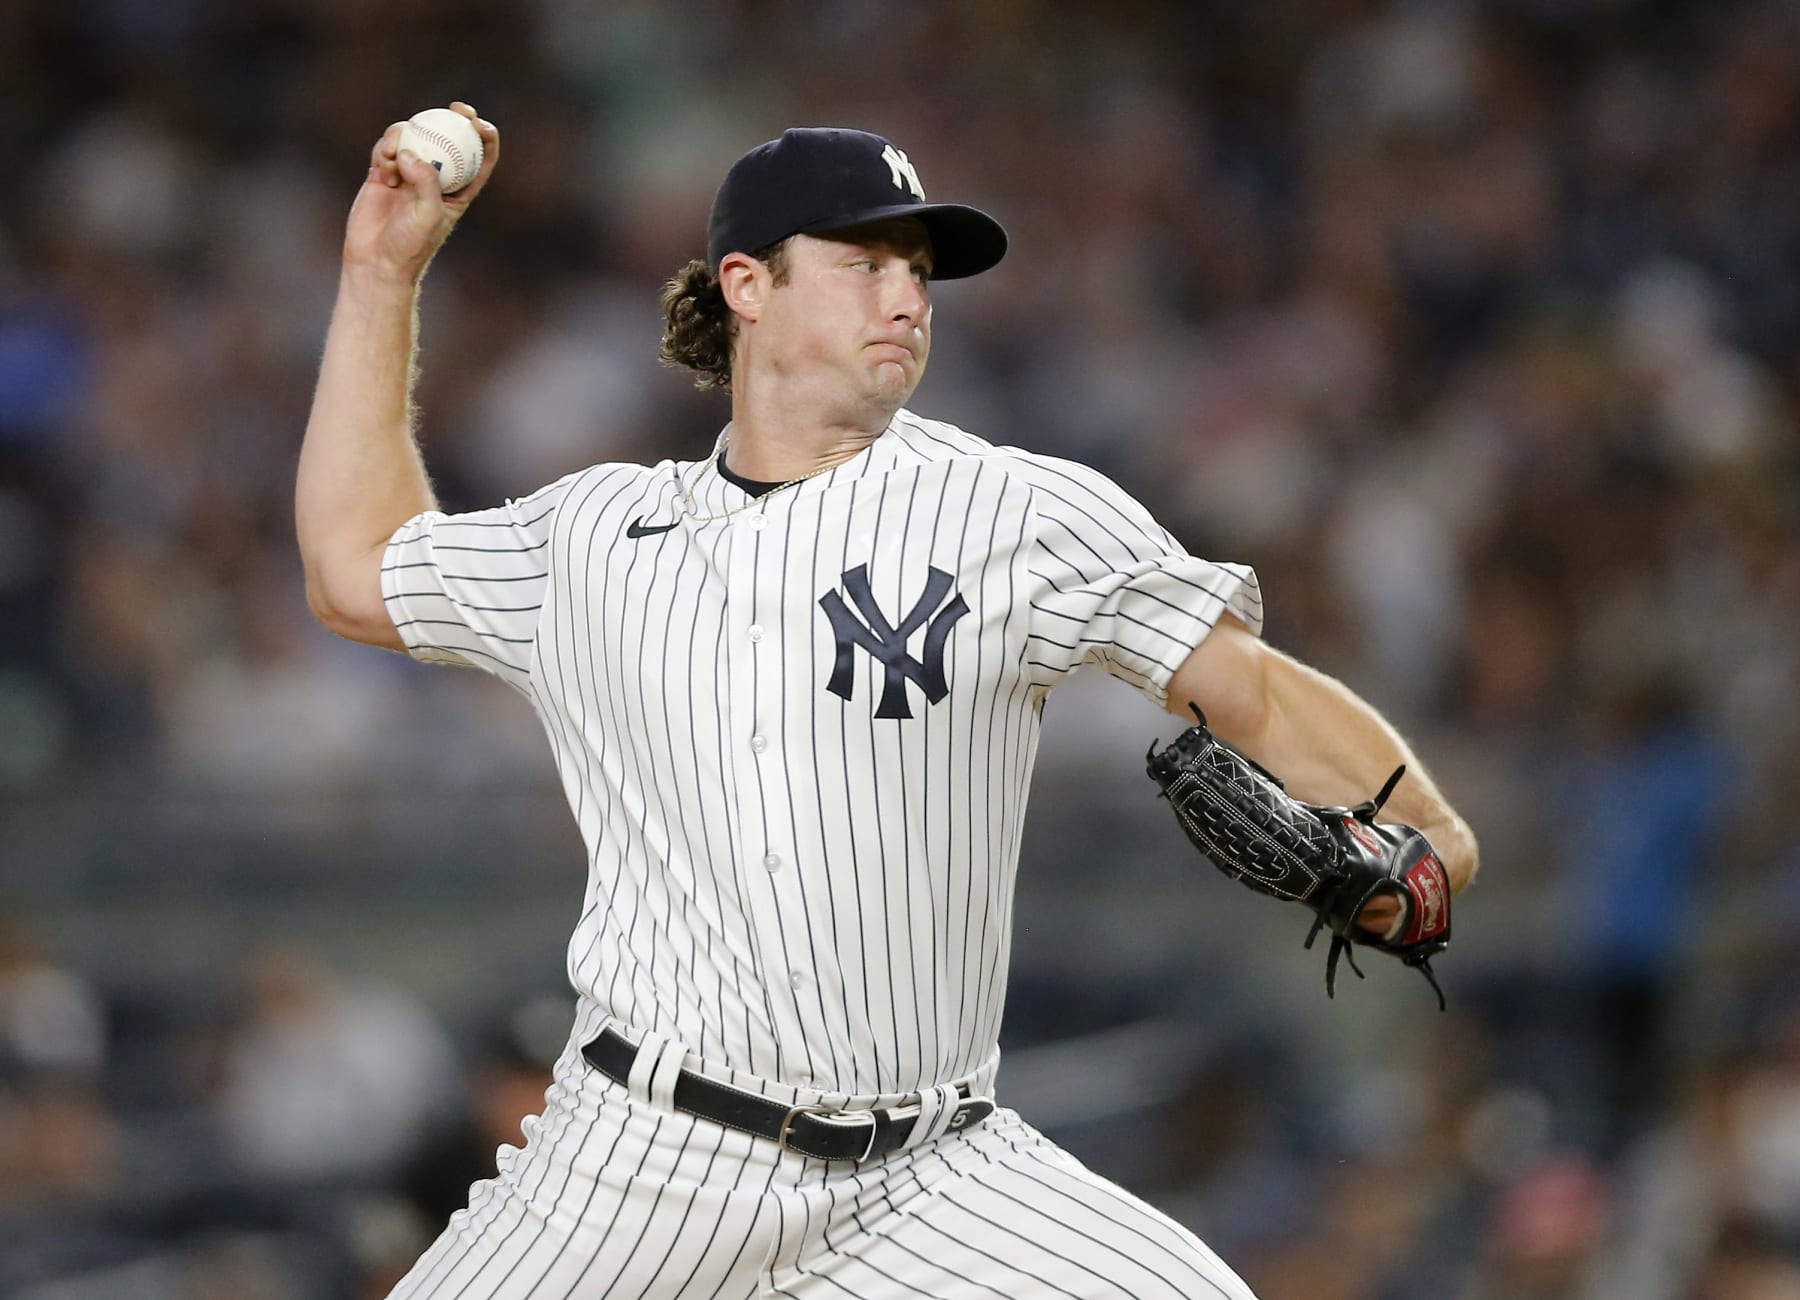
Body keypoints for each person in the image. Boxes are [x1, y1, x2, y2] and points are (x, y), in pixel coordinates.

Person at [297, 106, 1479, 1300]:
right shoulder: (596, 535)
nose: (907, 298)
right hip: (634, 1162)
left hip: (930, 1175)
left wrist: (1436, 840)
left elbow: (1255, 693)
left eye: (918, 271)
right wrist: (382, 270)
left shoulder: (1016, 513)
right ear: (747, 286)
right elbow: (356, 569)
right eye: (864, 264)